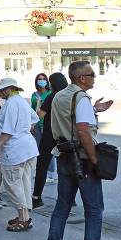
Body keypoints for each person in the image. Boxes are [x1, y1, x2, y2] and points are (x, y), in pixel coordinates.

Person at [47, 60, 114, 240]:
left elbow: (70, 118)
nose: (94, 77)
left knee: (62, 207)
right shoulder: (81, 98)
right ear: (81, 78)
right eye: (91, 74)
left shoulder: (60, 95)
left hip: (63, 155)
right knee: (94, 210)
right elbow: (83, 131)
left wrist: (94, 109)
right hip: (82, 158)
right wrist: (94, 158)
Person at [0, 78, 39, 232]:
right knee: (23, 183)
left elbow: (8, 130)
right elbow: (35, 118)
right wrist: (25, 128)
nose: (0, 93)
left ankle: (23, 218)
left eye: (2, 90)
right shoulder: (21, 101)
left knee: (13, 184)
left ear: (9, 89)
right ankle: (24, 215)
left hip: (15, 150)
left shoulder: (11, 104)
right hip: (27, 148)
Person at [33, 72, 69, 209]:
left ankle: (36, 197)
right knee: (65, 167)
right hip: (65, 136)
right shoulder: (69, 97)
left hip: (49, 135)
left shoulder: (52, 97)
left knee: (42, 166)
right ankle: (69, 199)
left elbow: (40, 115)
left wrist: (39, 105)